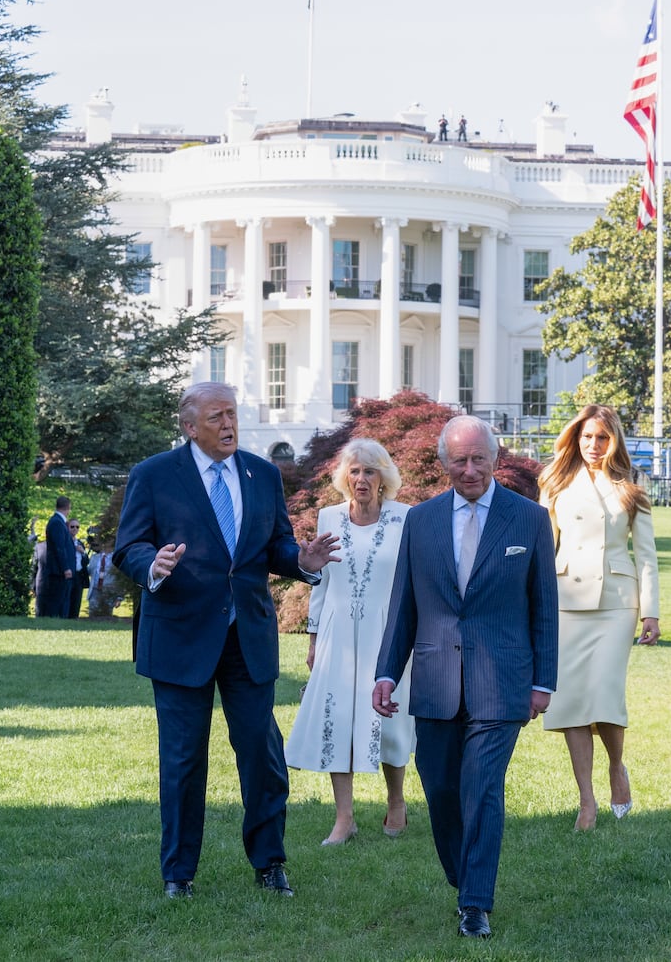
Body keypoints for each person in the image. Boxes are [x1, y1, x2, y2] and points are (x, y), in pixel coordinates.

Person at [113, 381, 339, 900]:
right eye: (215, 417)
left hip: (248, 637)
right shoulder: (153, 475)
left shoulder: (261, 474)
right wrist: (154, 564)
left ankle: (269, 863)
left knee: (261, 755)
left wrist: (301, 562)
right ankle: (178, 874)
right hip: (180, 638)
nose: (228, 424)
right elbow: (130, 547)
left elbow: (276, 544)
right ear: (189, 427)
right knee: (183, 759)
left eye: (232, 414)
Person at [373, 415, 558, 939]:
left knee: (482, 788)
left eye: (480, 458)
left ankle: (475, 903)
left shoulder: (528, 519)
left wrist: (544, 682)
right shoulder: (422, 520)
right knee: (441, 790)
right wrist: (388, 672)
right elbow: (403, 606)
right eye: (460, 460)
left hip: (503, 681)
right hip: (434, 679)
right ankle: (463, 878)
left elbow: (544, 605)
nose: (471, 469)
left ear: (495, 459)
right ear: (443, 463)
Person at [537, 405, 660, 832]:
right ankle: (586, 801)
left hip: (616, 603)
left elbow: (646, 554)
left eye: (602, 438)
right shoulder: (554, 482)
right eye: (587, 437)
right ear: (576, 438)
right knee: (571, 702)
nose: (593, 445)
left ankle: (616, 767)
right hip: (566, 601)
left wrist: (652, 612)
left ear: (615, 441)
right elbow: (543, 552)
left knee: (605, 697)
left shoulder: (632, 484)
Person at [285, 439, 413, 846]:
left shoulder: (406, 519)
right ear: (345, 477)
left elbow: (413, 584)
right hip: (339, 634)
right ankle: (345, 818)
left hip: (387, 632)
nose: (361, 478)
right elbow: (320, 582)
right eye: (355, 471)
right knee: (337, 720)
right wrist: (313, 637)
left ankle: (396, 801)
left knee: (389, 723)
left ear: (383, 479)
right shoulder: (329, 517)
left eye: (370, 471)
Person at [39, 496, 76, 617]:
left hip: (59, 571)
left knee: (63, 600)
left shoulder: (58, 522)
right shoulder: (57, 523)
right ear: (68, 508)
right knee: (57, 601)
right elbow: (59, 547)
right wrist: (65, 568)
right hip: (58, 571)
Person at [87, 543, 123, 617]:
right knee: (92, 614)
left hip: (109, 591)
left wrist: (119, 597)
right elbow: (89, 571)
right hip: (94, 589)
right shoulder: (94, 557)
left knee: (107, 615)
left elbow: (120, 578)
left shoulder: (116, 558)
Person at [67, 518, 90, 619]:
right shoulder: (65, 542)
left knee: (77, 599)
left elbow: (86, 561)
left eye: (77, 527)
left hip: (79, 575)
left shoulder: (80, 543)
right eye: (72, 526)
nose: (75, 529)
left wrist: (83, 552)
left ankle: (74, 618)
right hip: (68, 574)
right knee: (67, 598)